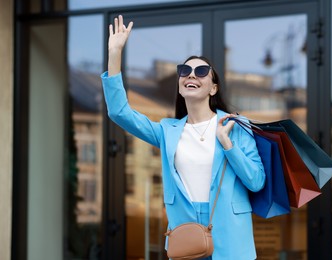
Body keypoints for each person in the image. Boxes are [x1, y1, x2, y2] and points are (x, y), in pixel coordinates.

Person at [101, 15, 266, 260]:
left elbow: (256, 181)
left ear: (213, 88)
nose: (191, 75)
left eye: (201, 71)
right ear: (179, 84)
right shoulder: (167, 131)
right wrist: (115, 53)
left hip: (231, 240)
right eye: (185, 70)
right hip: (185, 237)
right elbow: (119, 112)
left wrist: (228, 145)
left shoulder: (235, 127)